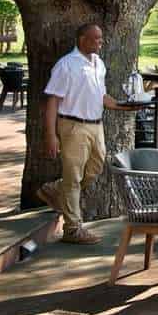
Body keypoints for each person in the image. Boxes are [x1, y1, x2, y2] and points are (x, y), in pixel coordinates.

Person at [37, 23, 133, 244]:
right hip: (73, 126)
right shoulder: (66, 65)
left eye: (101, 39)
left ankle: (53, 190)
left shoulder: (98, 64)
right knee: (73, 177)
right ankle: (72, 229)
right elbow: (52, 101)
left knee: (95, 168)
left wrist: (125, 106)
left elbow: (101, 97)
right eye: (96, 39)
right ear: (82, 39)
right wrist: (50, 135)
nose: (101, 43)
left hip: (96, 126)